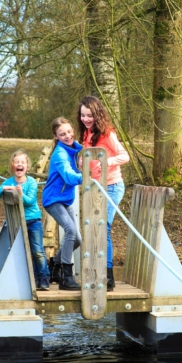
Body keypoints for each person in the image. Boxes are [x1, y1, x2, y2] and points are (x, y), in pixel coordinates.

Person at [78, 95, 130, 291]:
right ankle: (97, 271)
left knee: (103, 227)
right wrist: (82, 161)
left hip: (112, 186)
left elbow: (125, 156)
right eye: (83, 115)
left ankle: (108, 276)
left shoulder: (107, 134)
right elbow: (87, 156)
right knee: (94, 228)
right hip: (95, 187)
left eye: (89, 115)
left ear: (97, 114)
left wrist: (105, 162)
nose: (86, 119)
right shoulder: (86, 134)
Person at [0, 149, 51, 290]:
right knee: (25, 252)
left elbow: (30, 201)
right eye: (17, 162)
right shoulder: (9, 181)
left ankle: (44, 278)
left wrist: (20, 193)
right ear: (12, 165)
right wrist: (3, 188)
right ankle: (33, 279)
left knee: (37, 250)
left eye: (23, 162)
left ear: (27, 166)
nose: (20, 164)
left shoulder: (31, 182)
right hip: (18, 222)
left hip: (33, 220)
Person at [42, 117, 83, 291]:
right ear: (56, 136)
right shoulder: (60, 154)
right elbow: (68, 176)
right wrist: (86, 176)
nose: (67, 136)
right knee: (71, 231)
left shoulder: (73, 150)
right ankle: (66, 277)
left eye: (68, 132)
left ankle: (54, 266)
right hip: (53, 200)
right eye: (62, 134)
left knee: (77, 240)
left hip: (65, 200)